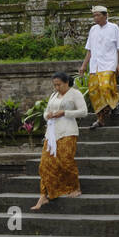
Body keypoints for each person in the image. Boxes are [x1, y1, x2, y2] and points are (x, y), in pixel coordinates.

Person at [33, 72, 87, 210]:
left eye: (59, 85)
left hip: (68, 132)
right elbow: (46, 112)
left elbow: (83, 111)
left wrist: (65, 113)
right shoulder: (53, 95)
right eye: (55, 85)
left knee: (66, 161)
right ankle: (44, 194)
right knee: (45, 164)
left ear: (66, 83)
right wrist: (48, 115)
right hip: (52, 134)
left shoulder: (75, 94)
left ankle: (75, 188)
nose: (57, 87)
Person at [79, 4, 119, 128]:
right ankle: (101, 119)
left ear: (105, 15)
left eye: (98, 15)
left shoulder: (114, 28)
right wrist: (83, 66)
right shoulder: (93, 30)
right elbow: (89, 50)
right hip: (95, 65)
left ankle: (114, 103)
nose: (95, 18)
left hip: (109, 63)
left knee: (106, 86)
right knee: (94, 92)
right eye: (94, 16)